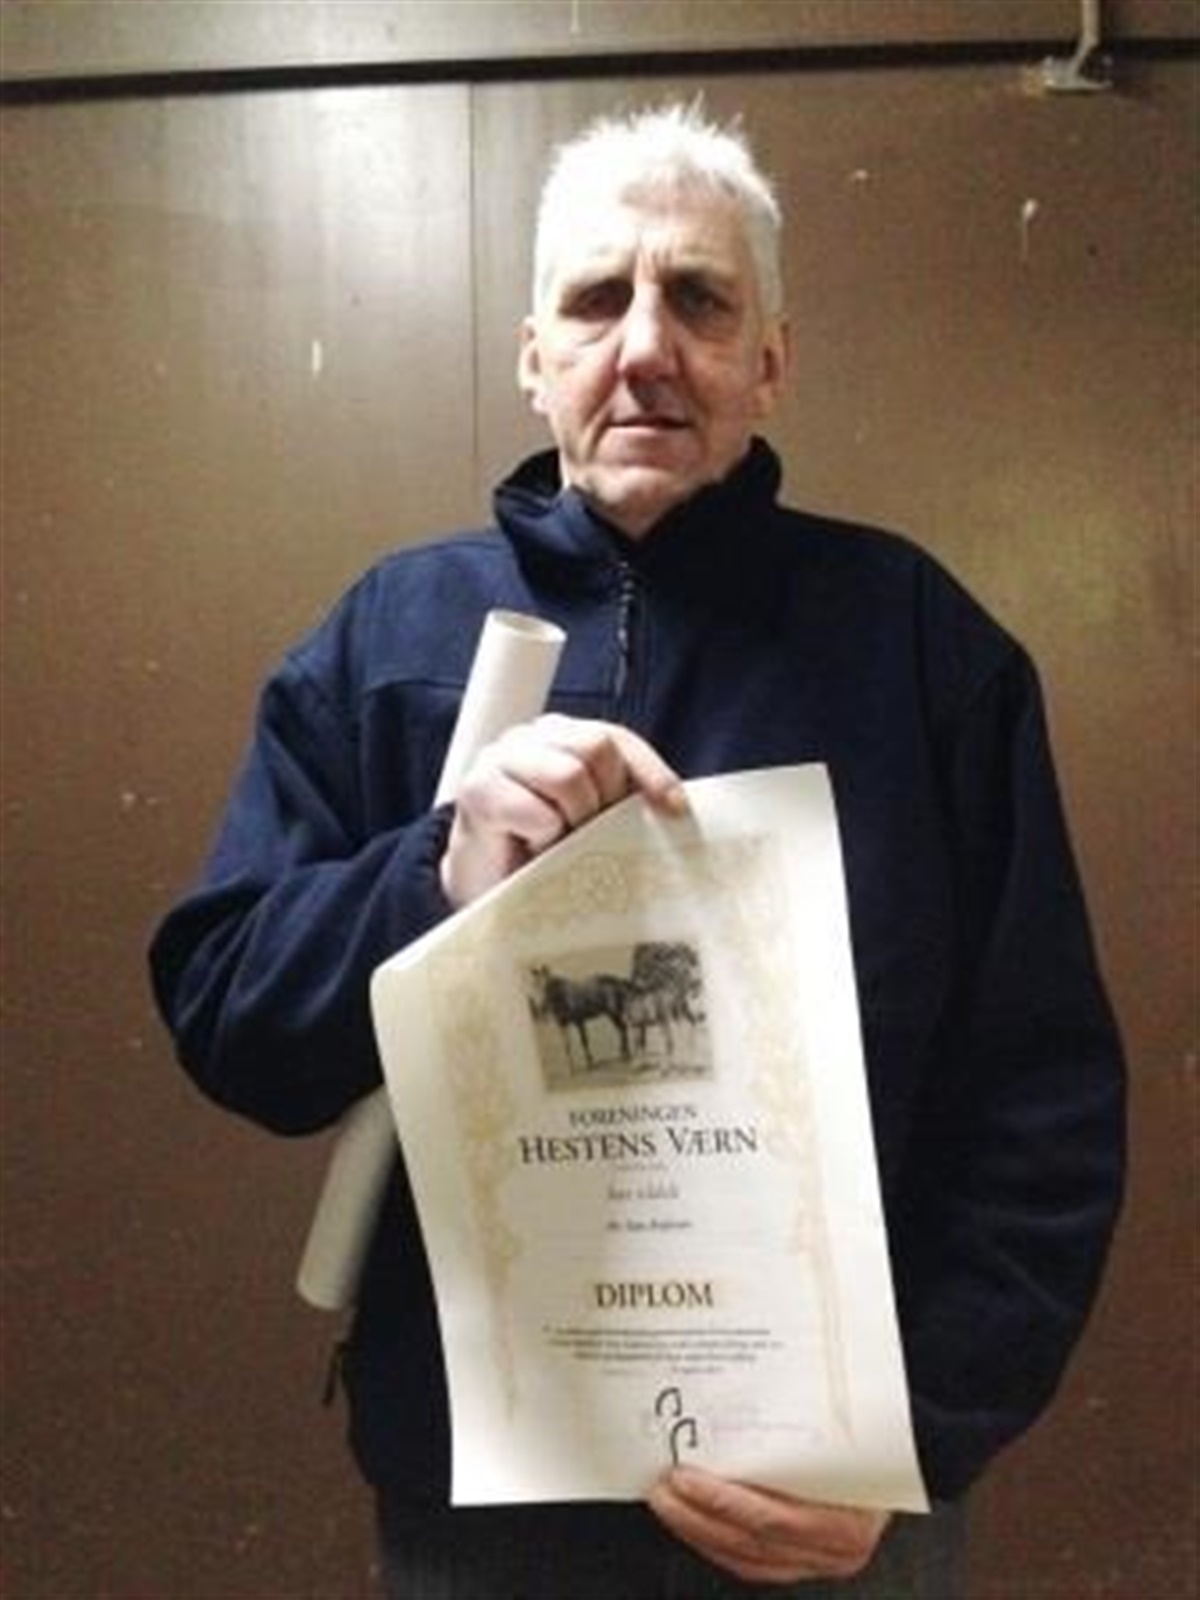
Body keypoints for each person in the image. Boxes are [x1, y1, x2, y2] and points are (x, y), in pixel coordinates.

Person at [149, 103, 1125, 1597]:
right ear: (534, 353)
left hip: (829, 1515)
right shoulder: (387, 645)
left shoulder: (925, 651)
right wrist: (436, 878)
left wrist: (915, 1439)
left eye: (701, 301)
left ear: (770, 361)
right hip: (485, 1515)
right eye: (600, 300)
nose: (647, 347)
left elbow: (1044, 1106)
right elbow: (232, 1020)